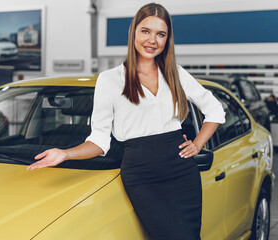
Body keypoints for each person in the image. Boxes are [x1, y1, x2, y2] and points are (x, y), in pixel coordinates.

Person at [27, 3, 225, 239]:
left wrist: (198, 143)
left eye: (160, 34)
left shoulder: (176, 74)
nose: (152, 40)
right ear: (133, 32)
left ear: (167, 39)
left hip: (181, 171)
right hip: (141, 174)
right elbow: (100, 141)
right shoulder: (110, 80)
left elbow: (215, 110)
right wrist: (66, 153)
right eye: (145, 31)